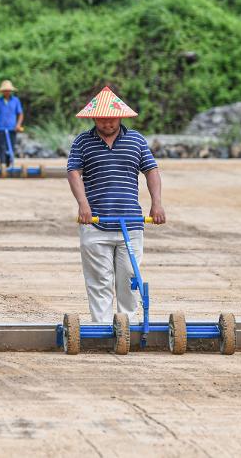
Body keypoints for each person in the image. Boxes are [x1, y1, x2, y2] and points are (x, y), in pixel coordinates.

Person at [66, 86, 166, 324]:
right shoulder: (82, 142)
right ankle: (100, 329)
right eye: (102, 119)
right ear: (93, 118)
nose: (107, 123)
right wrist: (83, 205)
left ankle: (127, 326)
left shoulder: (136, 140)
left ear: (120, 116)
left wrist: (157, 204)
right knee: (99, 280)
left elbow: (151, 171)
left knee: (130, 278)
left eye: (111, 118)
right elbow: (73, 172)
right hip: (96, 223)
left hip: (130, 223)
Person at [0, 80, 24, 167]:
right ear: (2, 91)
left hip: (12, 128)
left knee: (11, 147)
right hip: (0, 128)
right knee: (2, 147)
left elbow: (20, 114)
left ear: (11, 91)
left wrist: (18, 125)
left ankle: (9, 164)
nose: (6, 92)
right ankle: (2, 165)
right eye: (5, 90)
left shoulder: (16, 100)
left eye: (8, 90)